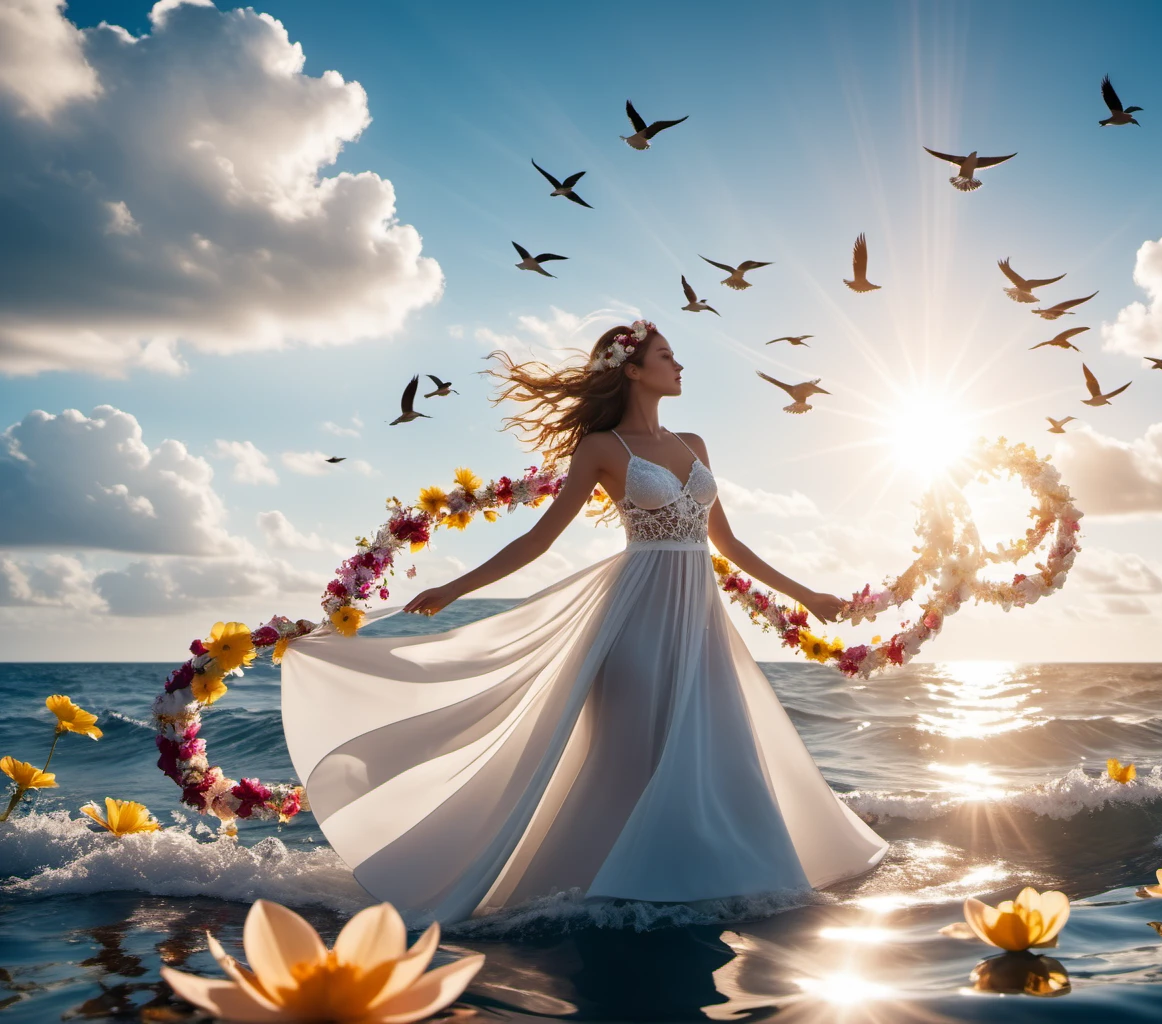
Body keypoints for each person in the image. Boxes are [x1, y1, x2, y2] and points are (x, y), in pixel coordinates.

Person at [280, 319, 888, 926]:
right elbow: (540, 540)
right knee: (626, 758)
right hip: (636, 623)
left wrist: (806, 594)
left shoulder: (694, 444)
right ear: (632, 369)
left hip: (700, 625)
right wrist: (454, 588)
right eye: (667, 356)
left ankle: (715, 879)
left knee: (714, 750)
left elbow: (726, 542)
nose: (680, 366)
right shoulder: (601, 449)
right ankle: (600, 889)